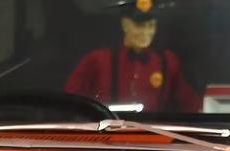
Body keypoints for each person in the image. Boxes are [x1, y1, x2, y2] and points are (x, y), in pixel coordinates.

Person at [64, 0, 200, 113]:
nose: (145, 32)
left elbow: (190, 103)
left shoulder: (167, 62)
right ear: (125, 25)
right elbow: (70, 101)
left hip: (152, 135)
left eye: (151, 26)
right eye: (139, 25)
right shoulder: (98, 60)